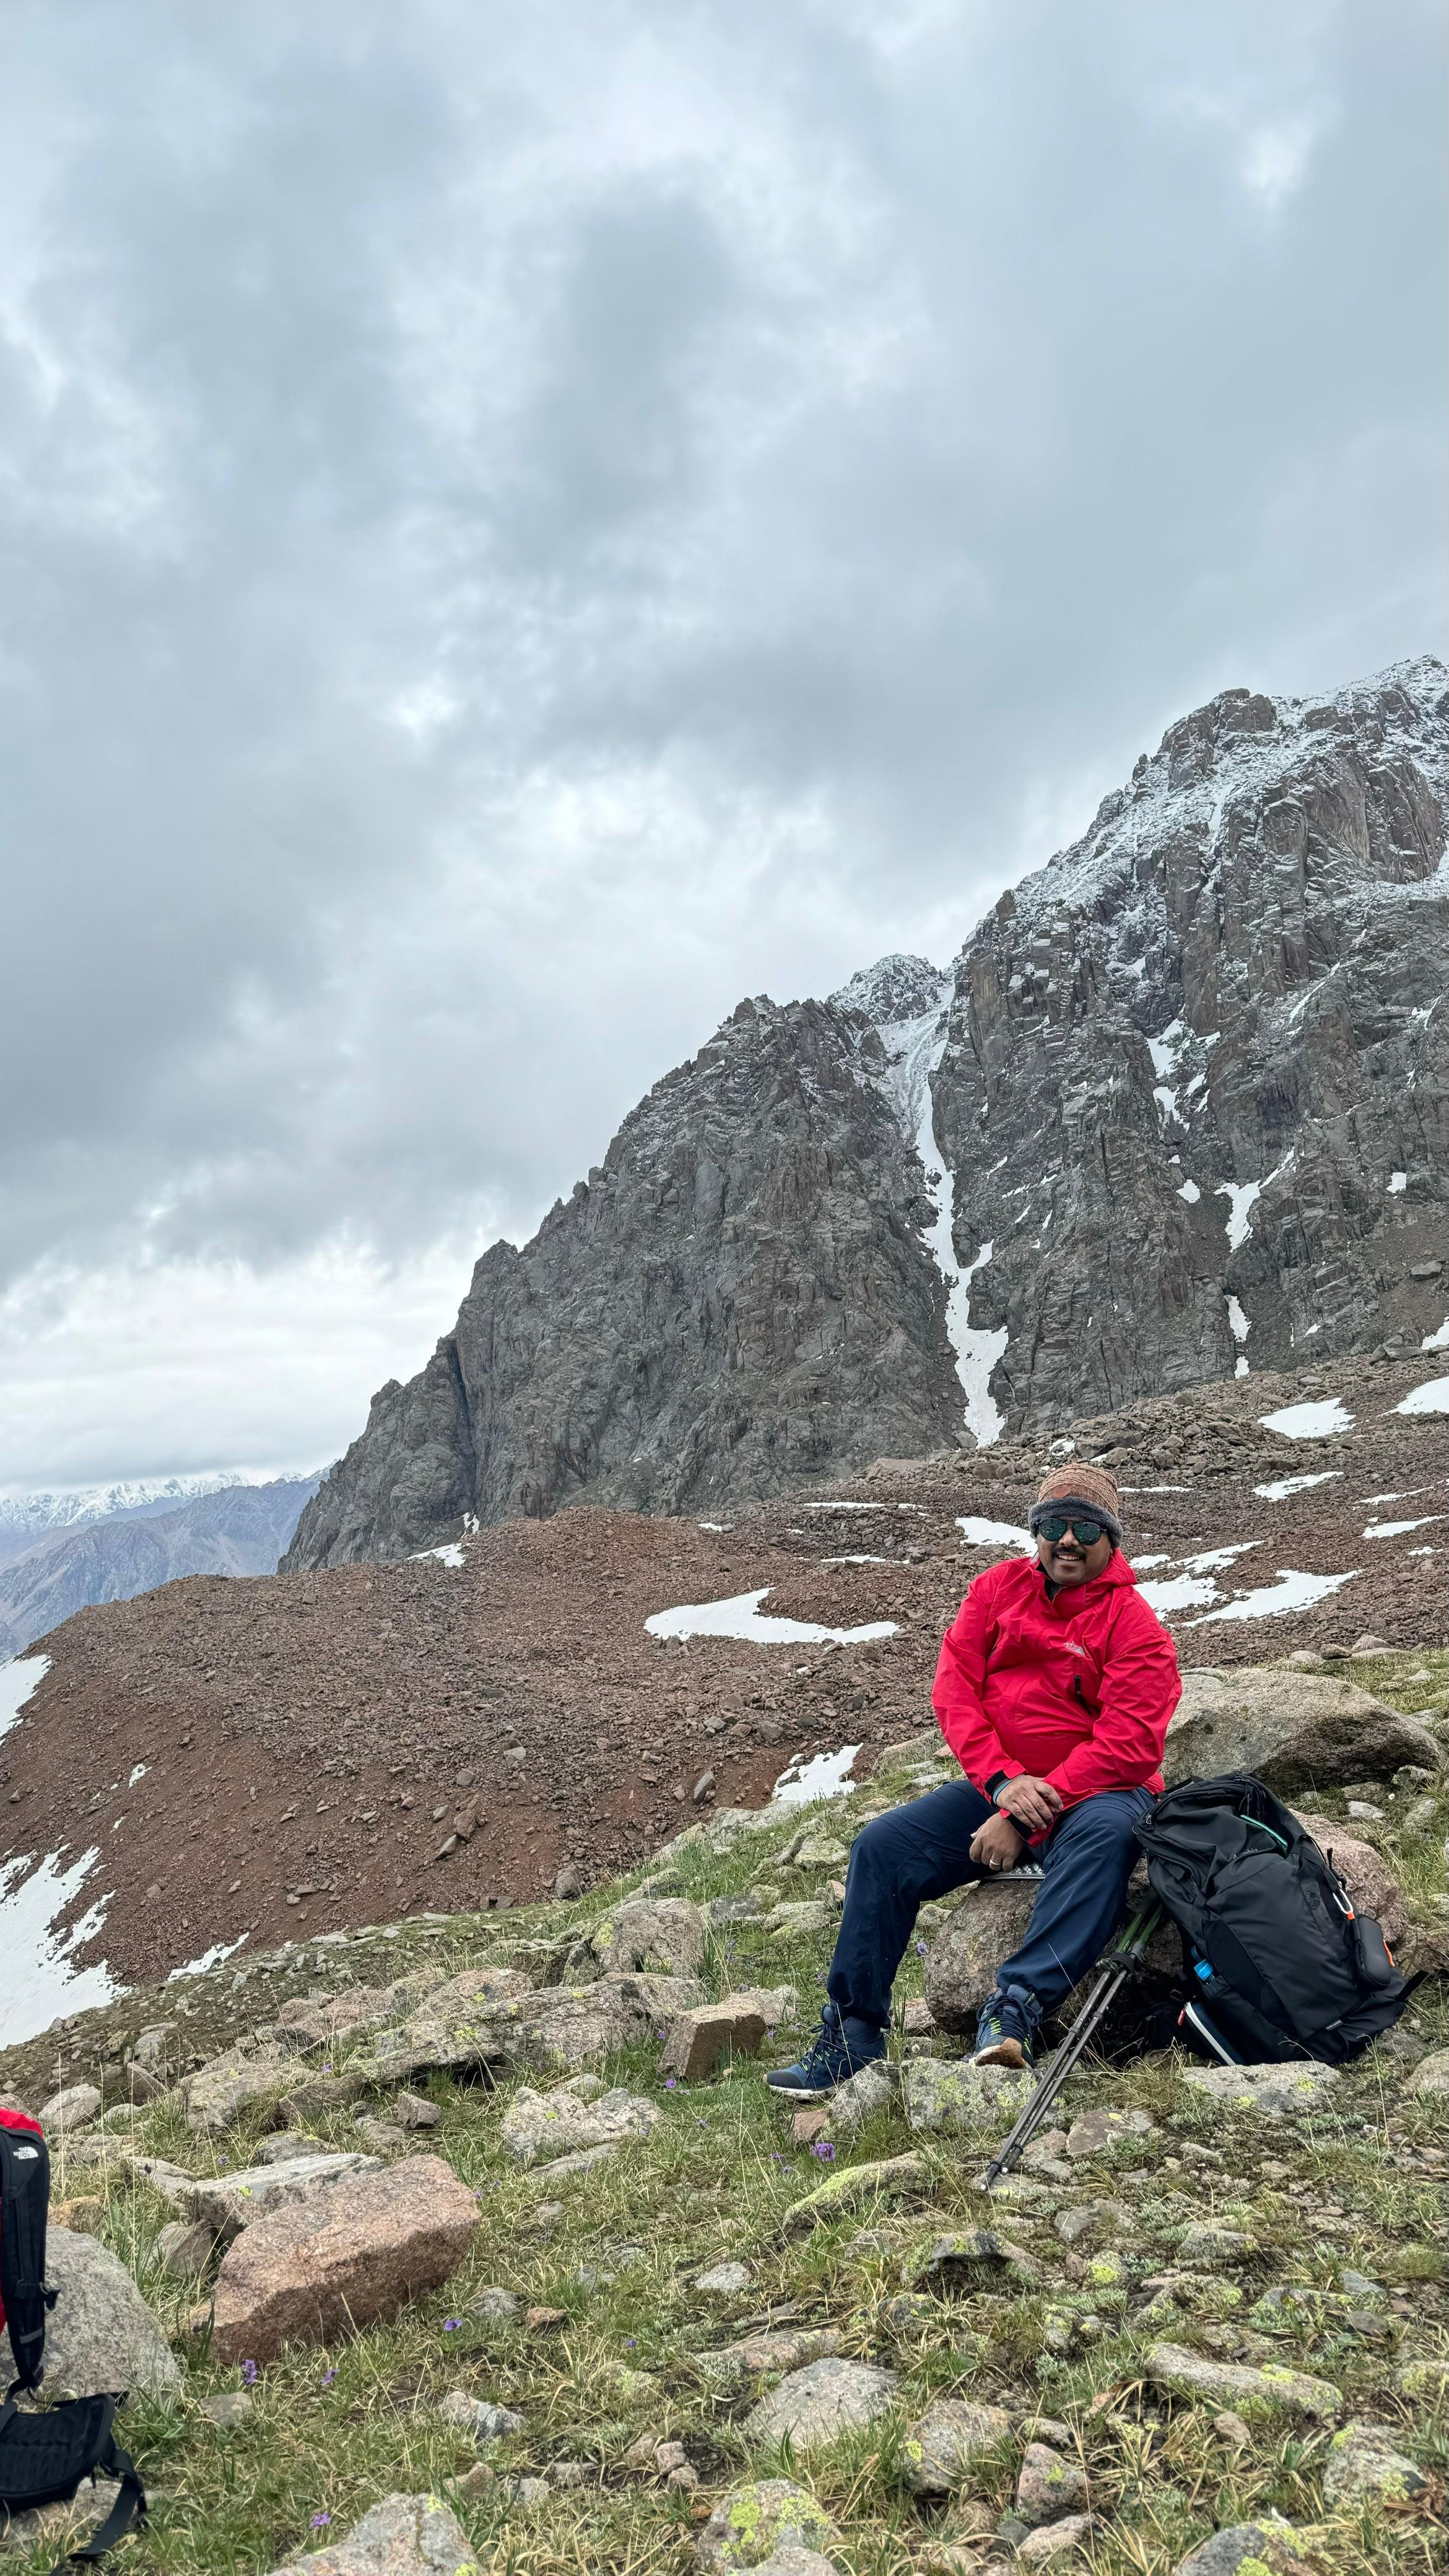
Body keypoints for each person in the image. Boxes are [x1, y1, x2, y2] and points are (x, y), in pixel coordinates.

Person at [765, 1463, 1181, 2096]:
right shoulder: (995, 1590)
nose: (1068, 1540)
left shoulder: (1135, 1625)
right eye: (1054, 1526)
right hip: (1006, 1784)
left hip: (1101, 1793)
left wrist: (1022, 1815)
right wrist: (1002, 1784)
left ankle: (1013, 2013)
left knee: (1104, 1839)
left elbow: (1131, 1743)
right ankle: (853, 2035)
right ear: (1037, 1533)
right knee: (883, 1848)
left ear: (1111, 1539)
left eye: (1087, 1528)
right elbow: (956, 1692)